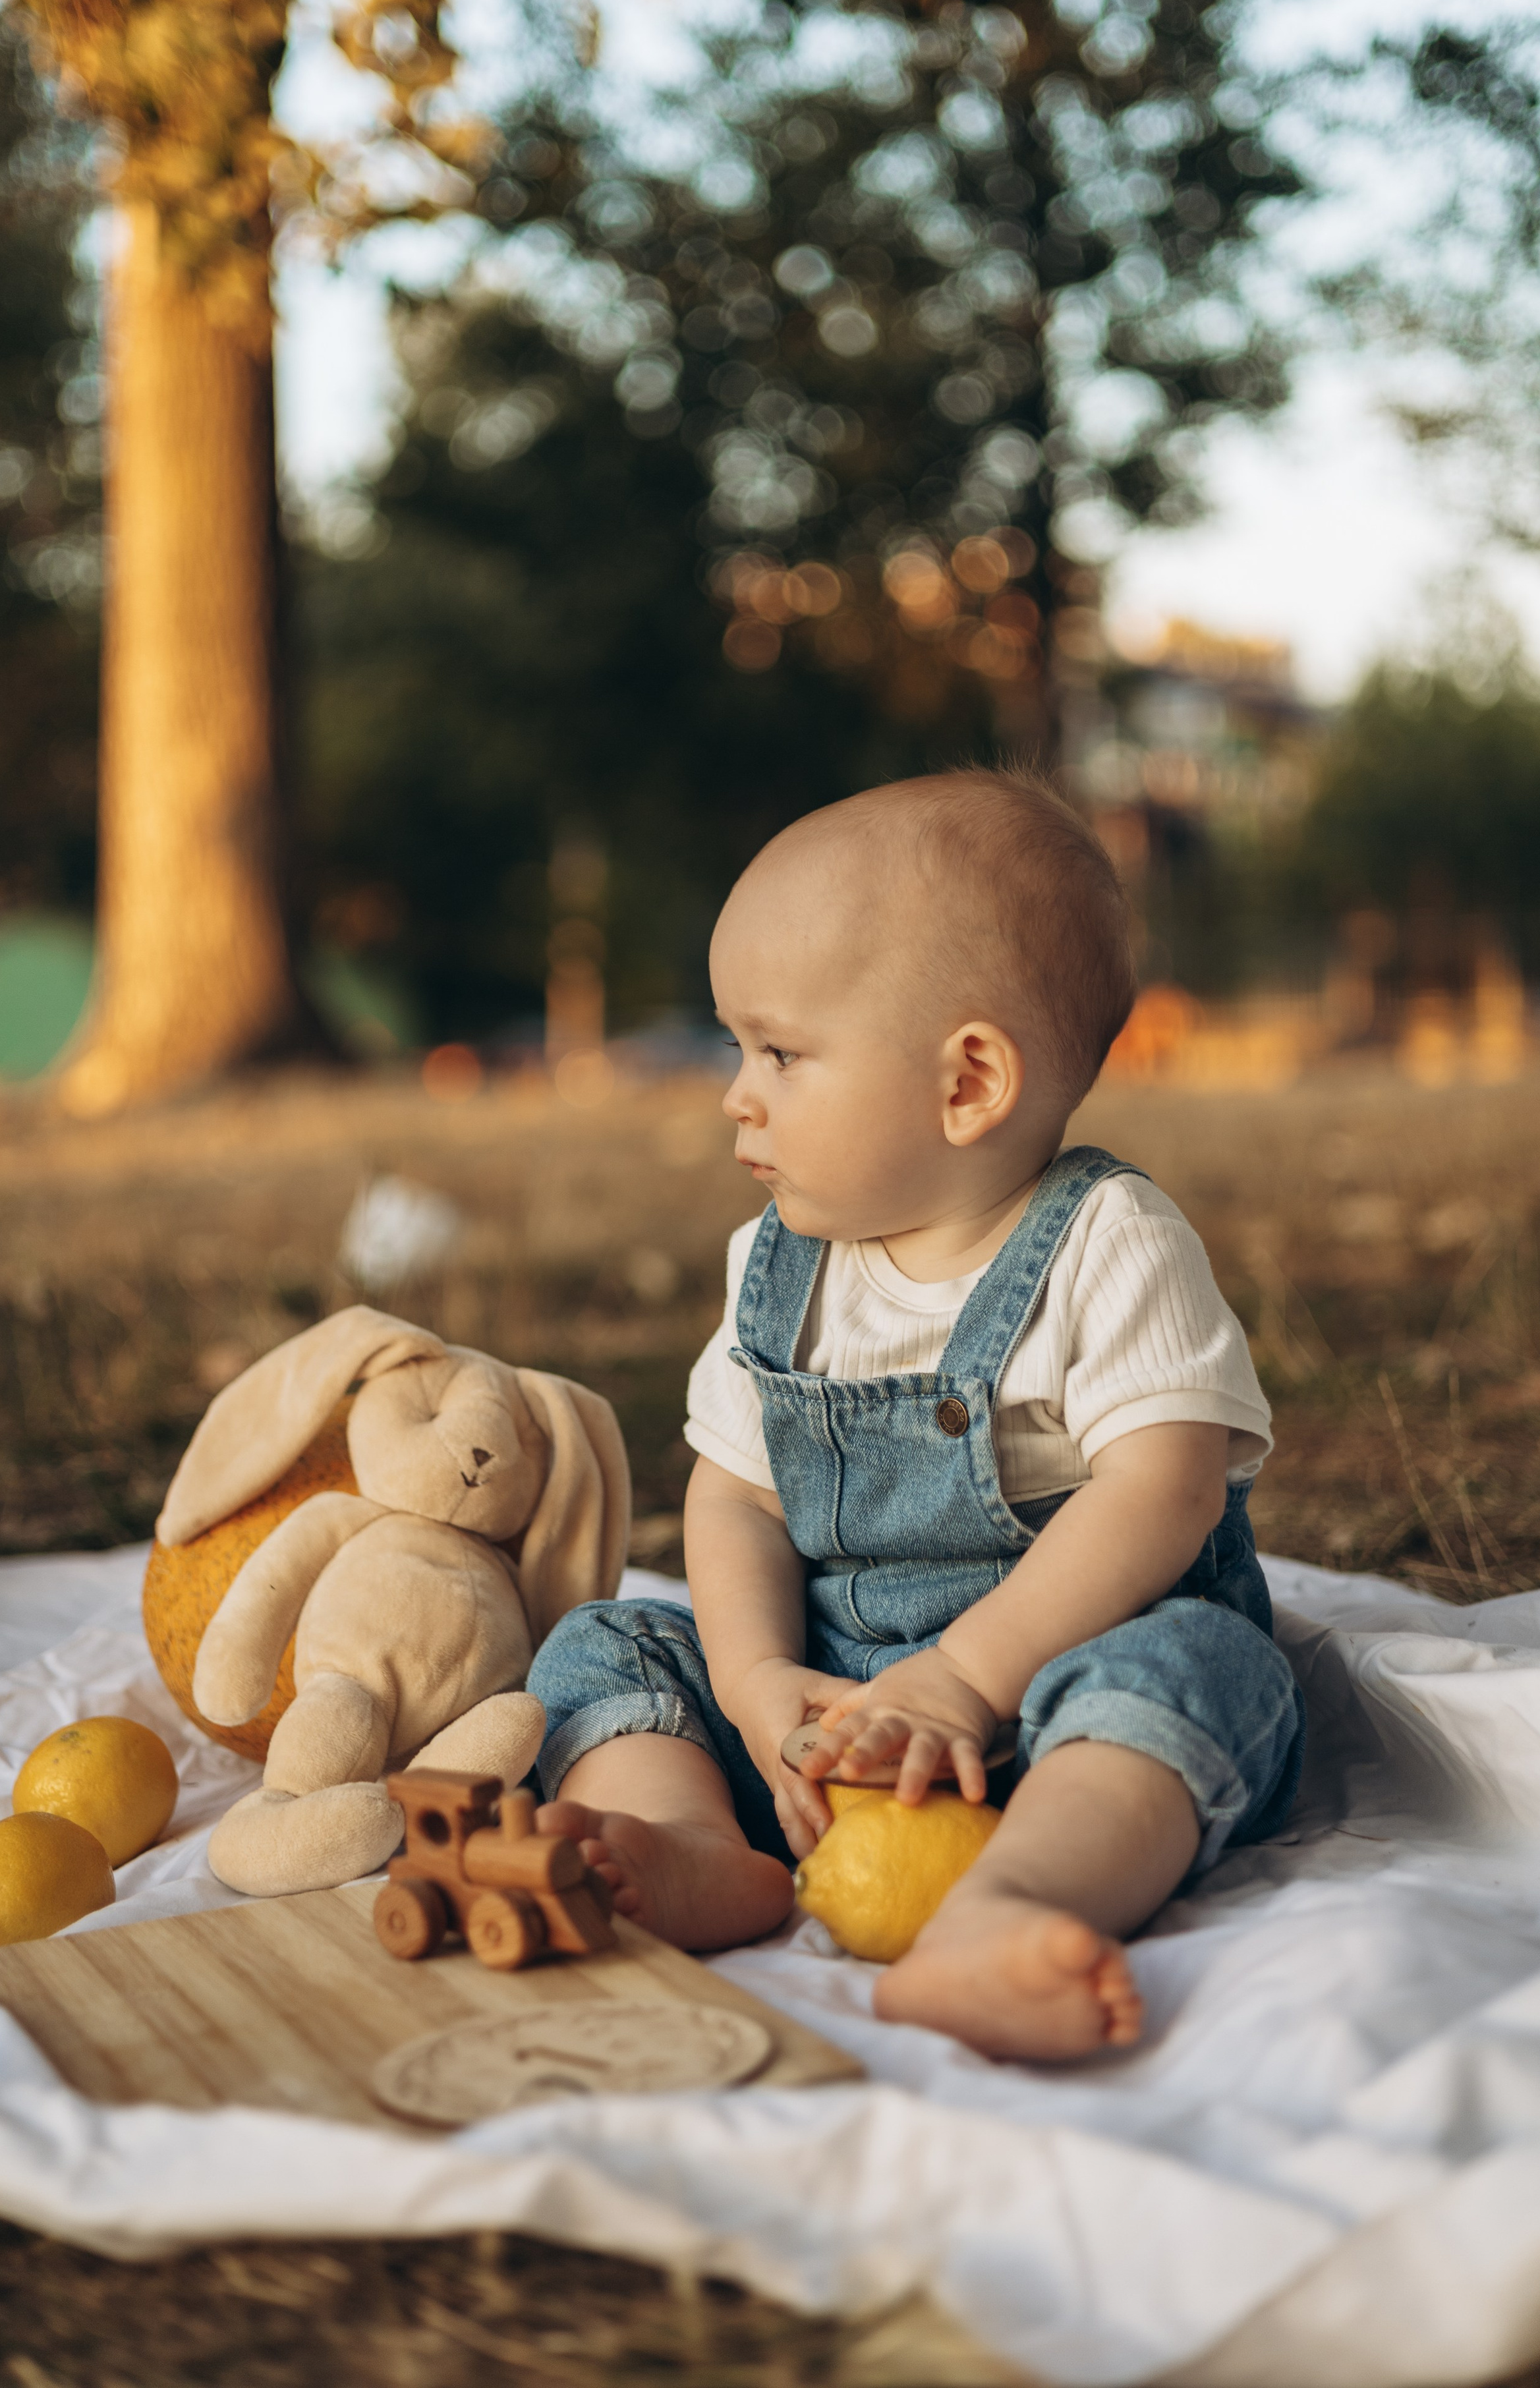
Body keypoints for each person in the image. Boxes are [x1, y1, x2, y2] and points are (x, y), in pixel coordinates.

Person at [528, 770, 1302, 2061]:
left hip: (1052, 1698)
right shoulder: (778, 1263)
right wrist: (761, 1683)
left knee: (1204, 1675)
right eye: (735, 1048)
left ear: (966, 1083)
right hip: (830, 1700)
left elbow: (1163, 1490)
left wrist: (964, 1680)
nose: (735, 1091)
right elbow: (735, 1495)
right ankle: (705, 1854)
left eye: (776, 1051)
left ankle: (1007, 1906)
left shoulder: (1104, 1242)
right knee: (607, 1642)